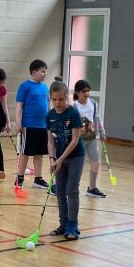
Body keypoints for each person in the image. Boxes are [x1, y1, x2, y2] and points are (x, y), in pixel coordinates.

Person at [46, 81, 85, 240]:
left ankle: (73, 226)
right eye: (54, 100)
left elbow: (75, 140)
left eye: (61, 99)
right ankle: (63, 225)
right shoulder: (50, 116)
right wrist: (52, 159)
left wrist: (60, 159)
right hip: (59, 157)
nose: (58, 103)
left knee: (72, 190)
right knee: (60, 191)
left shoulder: (73, 113)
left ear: (66, 98)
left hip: (75, 156)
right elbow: (50, 141)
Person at [13, 60, 51, 191]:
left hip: (43, 126)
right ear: (34, 72)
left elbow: (48, 105)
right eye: (43, 71)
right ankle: (20, 178)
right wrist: (18, 122)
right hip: (28, 126)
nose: (45, 74)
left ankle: (38, 178)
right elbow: (19, 105)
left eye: (45, 71)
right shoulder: (25, 86)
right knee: (25, 153)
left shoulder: (45, 87)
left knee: (39, 154)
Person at [72, 80, 106, 198]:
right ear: (77, 92)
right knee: (75, 165)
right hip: (77, 140)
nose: (86, 94)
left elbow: (97, 118)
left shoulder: (93, 103)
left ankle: (92, 188)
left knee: (96, 161)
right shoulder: (73, 106)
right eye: (83, 91)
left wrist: (101, 132)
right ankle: (69, 186)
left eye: (87, 91)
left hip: (91, 138)